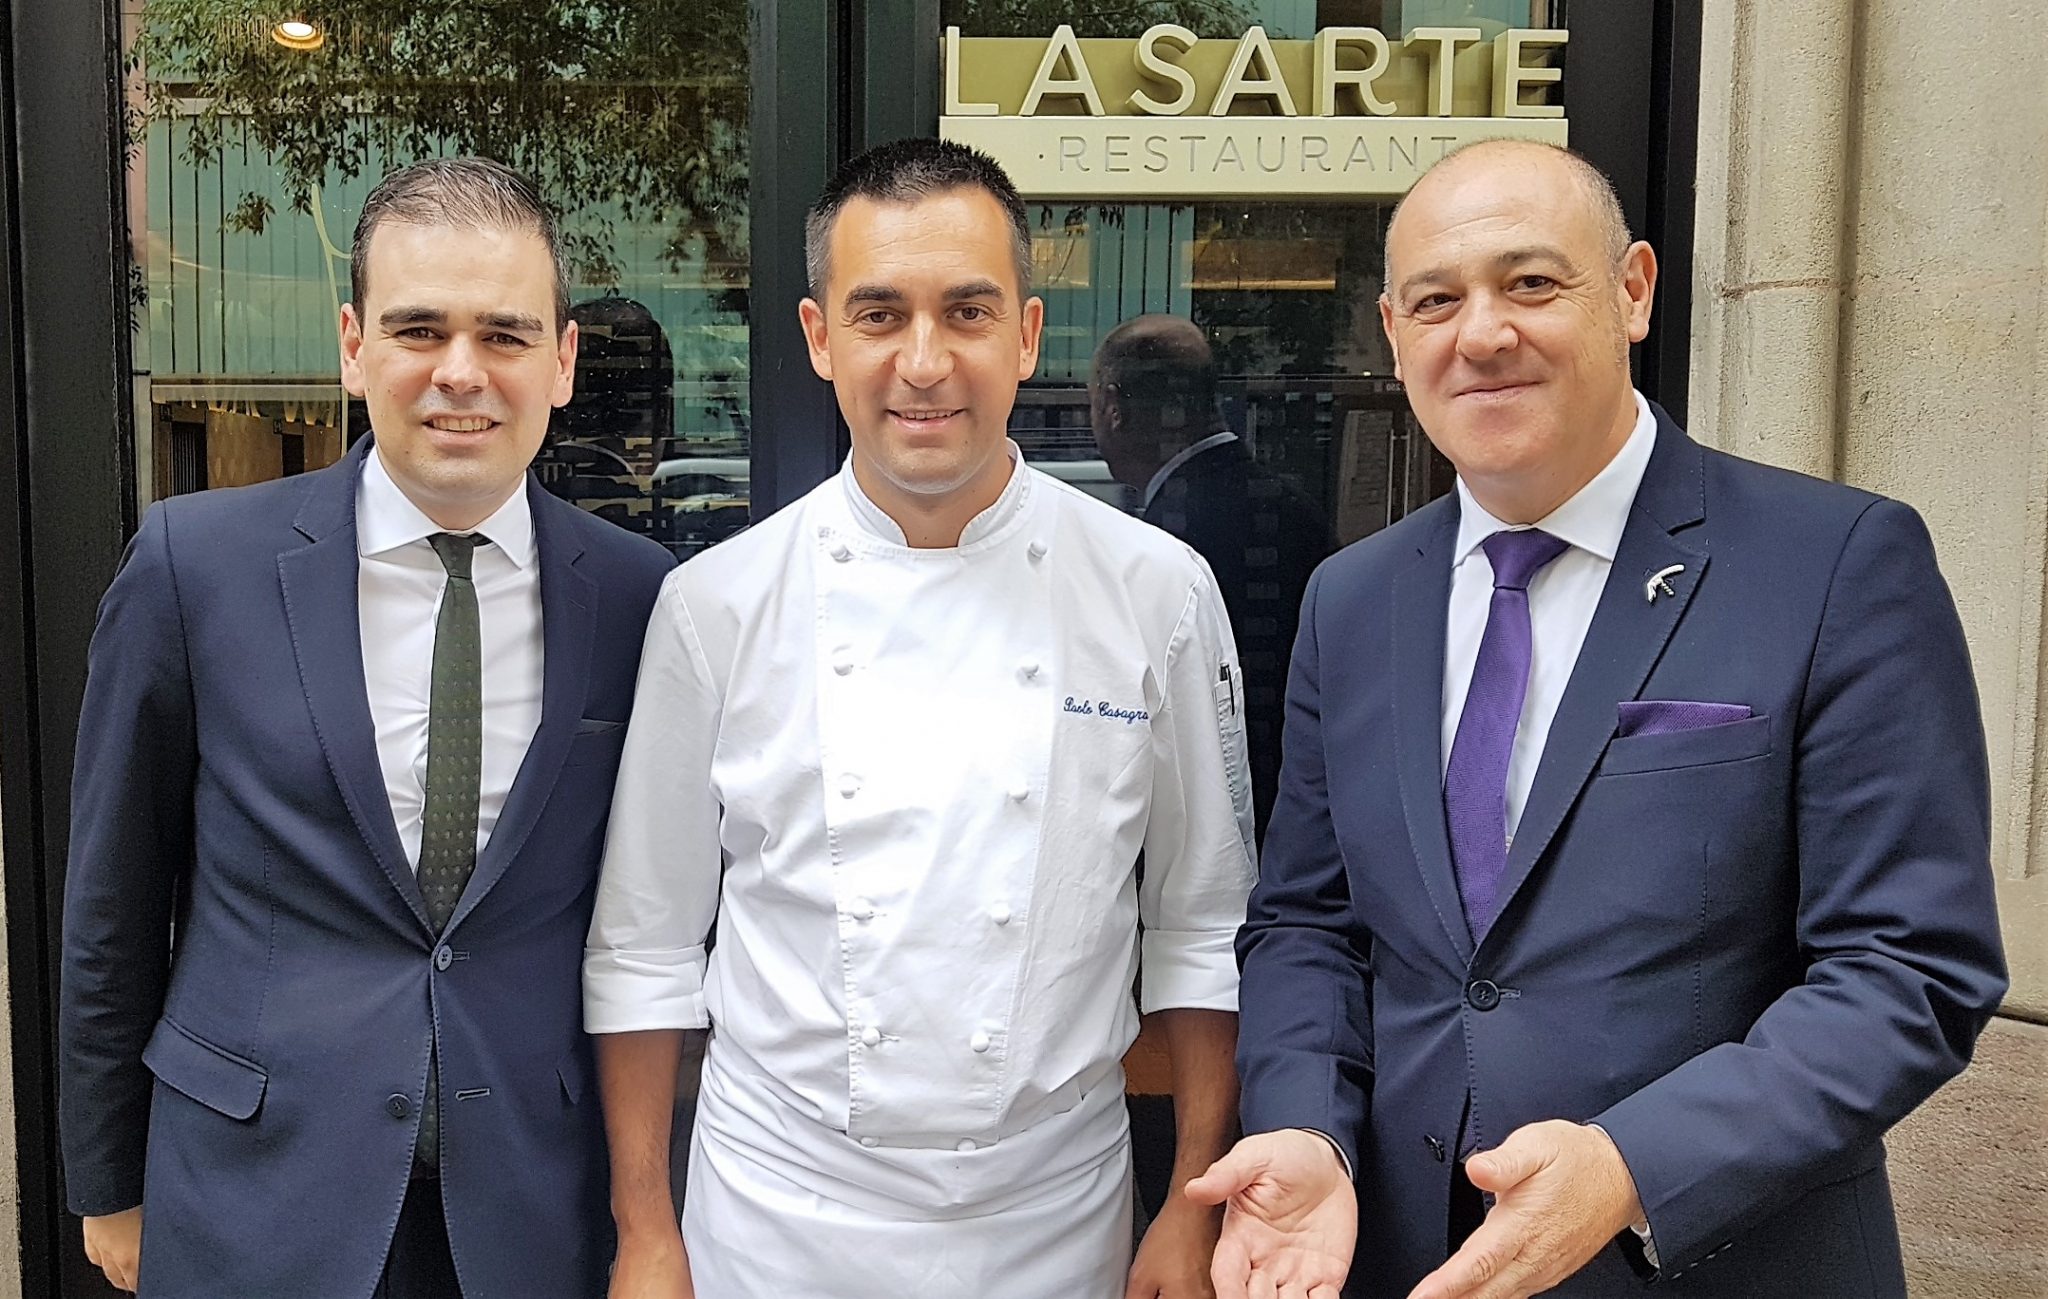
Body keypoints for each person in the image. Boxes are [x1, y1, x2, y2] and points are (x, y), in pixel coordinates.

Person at [1190, 139, 2008, 1299]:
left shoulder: (1831, 563)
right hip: (1396, 1263)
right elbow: (1308, 925)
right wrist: (1303, 1127)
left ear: (1630, 290)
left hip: (1721, 1263)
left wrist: (1634, 1164)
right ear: (1391, 331)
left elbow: (1907, 967)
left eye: (1528, 283)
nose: (1479, 334)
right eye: (1435, 300)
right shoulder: (1352, 598)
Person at [585, 137, 1256, 1298]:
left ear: (1029, 336)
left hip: (1053, 1216)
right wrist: (646, 1228)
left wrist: (1192, 1198)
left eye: (968, 311)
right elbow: (645, 948)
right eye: (879, 313)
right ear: (817, 338)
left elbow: (1200, 926)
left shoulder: (1157, 592)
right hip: (775, 1215)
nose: (924, 361)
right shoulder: (714, 606)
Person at [60, 157, 675, 1297]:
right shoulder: (195, 568)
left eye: (503, 334)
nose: (460, 374)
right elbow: (113, 900)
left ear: (562, 360)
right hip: (254, 1192)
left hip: (536, 1204)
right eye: (417, 329)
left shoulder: (643, 598)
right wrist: (107, 1178)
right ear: (354, 346)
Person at [1091, 314, 1330, 843]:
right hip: (1300, 815)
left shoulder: (1154, 546)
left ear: (1112, 407)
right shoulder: (1295, 509)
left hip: (1201, 826)